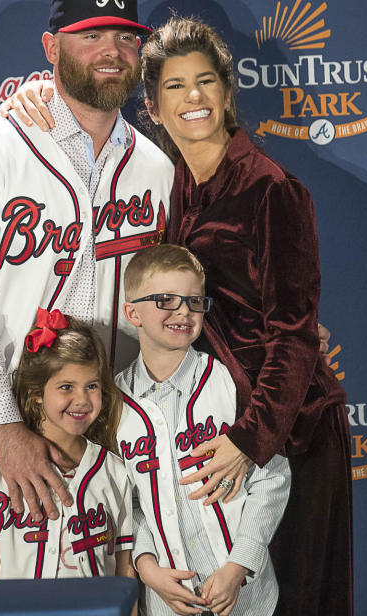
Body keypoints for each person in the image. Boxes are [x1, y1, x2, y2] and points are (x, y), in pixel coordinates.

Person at [3, 15, 351, 616]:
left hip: (284, 433)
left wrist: (250, 441)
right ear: (153, 107)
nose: (194, 97)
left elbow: (295, 335)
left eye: (206, 81)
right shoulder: (170, 186)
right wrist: (37, 89)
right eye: (174, 86)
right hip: (200, 420)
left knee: (291, 599)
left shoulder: (272, 190)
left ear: (226, 93)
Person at [0, 0, 173, 578]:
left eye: (125, 37)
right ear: (51, 48)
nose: (111, 50)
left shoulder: (156, 168)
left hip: (111, 453)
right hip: (0, 450)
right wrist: (6, 429)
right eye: (90, 35)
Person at [116, 244, 290, 616]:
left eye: (195, 302)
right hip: (167, 599)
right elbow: (129, 503)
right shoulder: (114, 402)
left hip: (246, 597)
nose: (183, 311)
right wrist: (147, 570)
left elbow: (272, 474)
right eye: (166, 300)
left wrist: (237, 566)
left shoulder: (228, 379)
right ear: (132, 312)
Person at [0, 310, 135, 586]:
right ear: (36, 394)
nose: (81, 399)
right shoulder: (1, 469)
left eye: (91, 386)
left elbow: (124, 570)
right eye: (66, 387)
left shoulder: (115, 471)